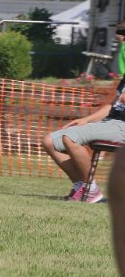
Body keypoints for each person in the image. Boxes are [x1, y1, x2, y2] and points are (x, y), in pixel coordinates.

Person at [42, 73, 125, 203]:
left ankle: (91, 190)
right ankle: (81, 186)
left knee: (70, 138)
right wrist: (86, 119)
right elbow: (113, 105)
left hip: (122, 126)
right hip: (109, 122)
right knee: (49, 141)